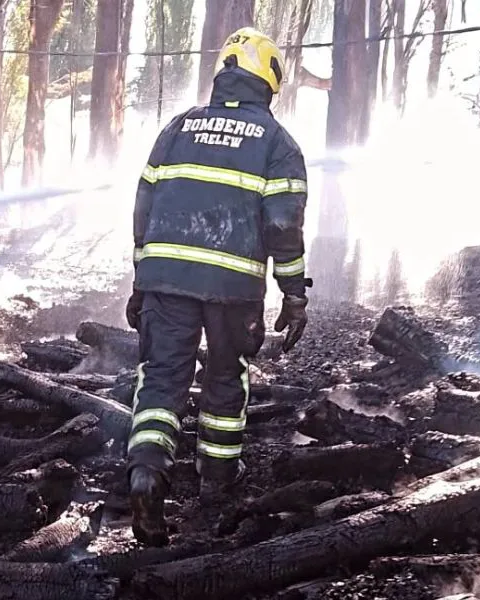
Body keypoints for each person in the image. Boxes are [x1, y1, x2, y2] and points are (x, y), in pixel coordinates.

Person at [124, 27, 310, 546]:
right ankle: (217, 479)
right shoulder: (277, 142)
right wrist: (294, 293)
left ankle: (147, 473)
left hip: (165, 279)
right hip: (234, 288)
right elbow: (283, 225)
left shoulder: (178, 128)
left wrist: (141, 281)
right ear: (269, 79)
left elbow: (144, 210)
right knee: (227, 375)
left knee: (161, 379)